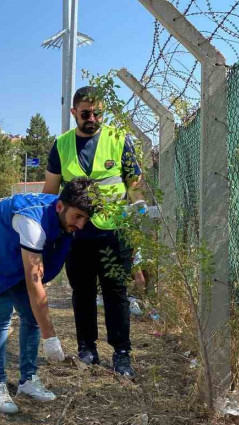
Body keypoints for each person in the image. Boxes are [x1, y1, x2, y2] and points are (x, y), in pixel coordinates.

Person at [42, 86, 146, 377]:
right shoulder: (61, 145)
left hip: (114, 233)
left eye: (98, 112)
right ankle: (87, 348)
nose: (93, 118)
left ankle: (121, 353)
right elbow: (50, 191)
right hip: (76, 235)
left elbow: (133, 184)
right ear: (74, 113)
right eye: (86, 113)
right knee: (83, 292)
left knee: (116, 292)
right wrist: (50, 232)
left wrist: (138, 208)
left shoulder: (118, 139)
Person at [0, 178, 98, 414]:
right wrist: (51, 338)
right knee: (2, 314)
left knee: (30, 316)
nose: (81, 225)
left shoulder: (61, 215)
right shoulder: (32, 222)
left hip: (13, 251)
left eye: (85, 219)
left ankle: (28, 379)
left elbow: (36, 277)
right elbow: (34, 282)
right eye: (77, 217)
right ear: (60, 207)